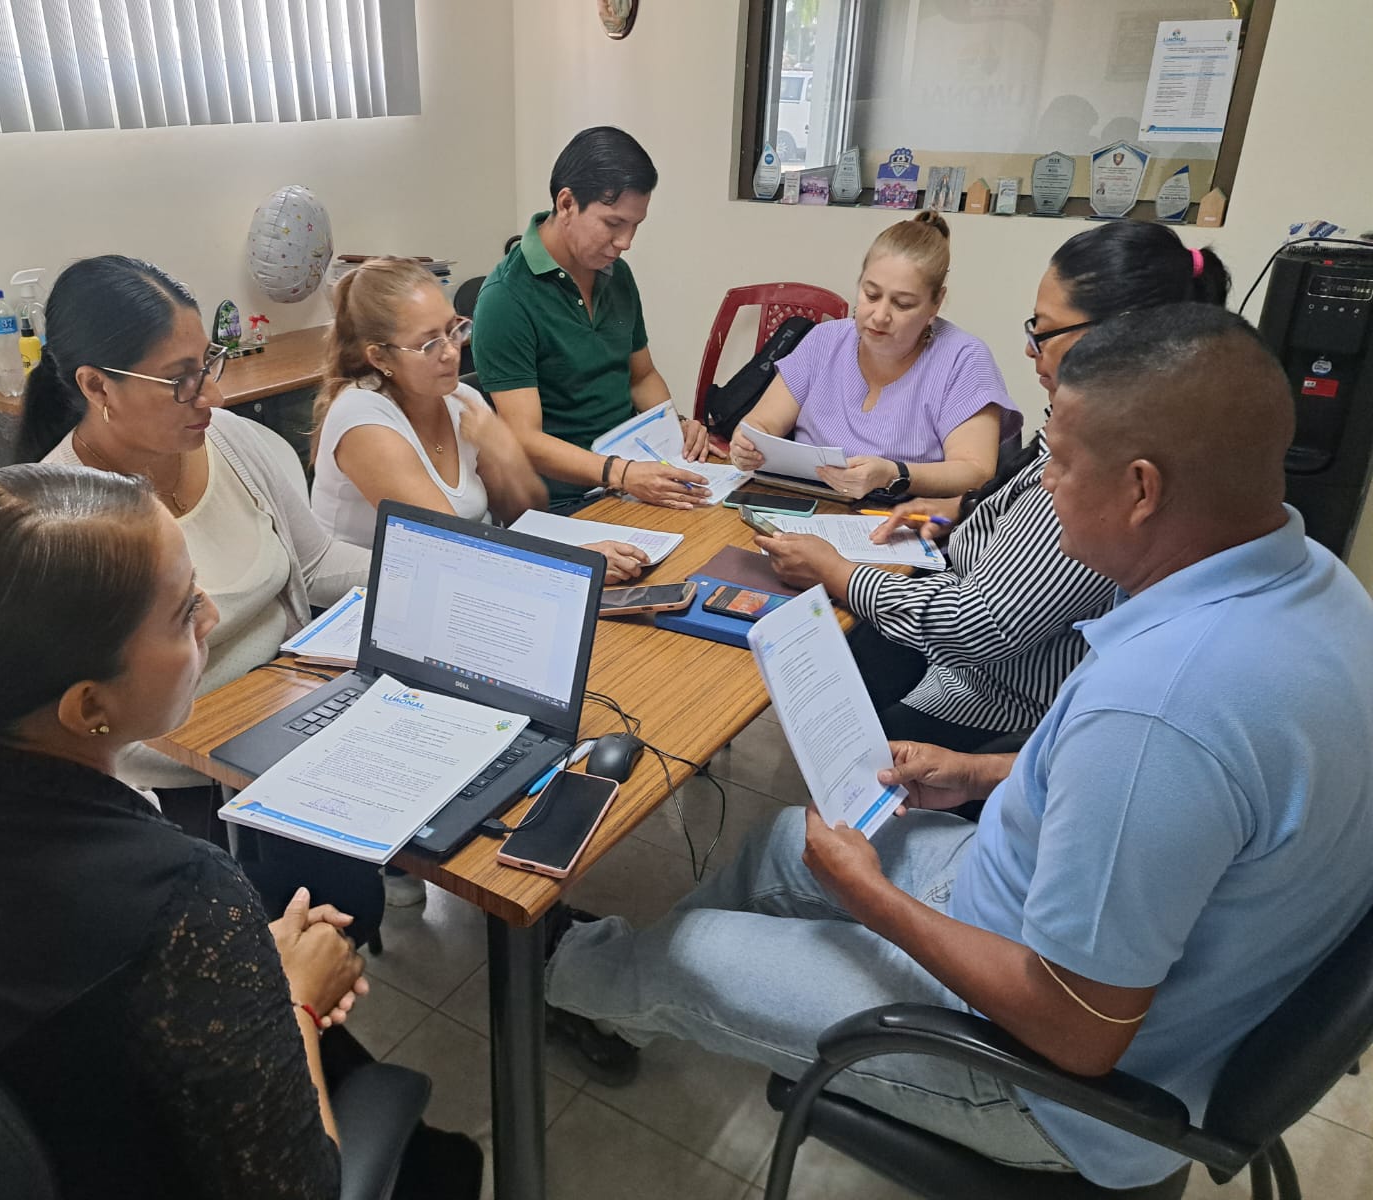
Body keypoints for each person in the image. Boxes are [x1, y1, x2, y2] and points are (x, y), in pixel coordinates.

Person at [544, 304, 1373, 1190]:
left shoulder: (1160, 711)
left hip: (1055, 1086)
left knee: (689, 957)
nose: (1043, 484)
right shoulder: (1322, 585)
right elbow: (1196, 808)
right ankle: (630, 986)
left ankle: (557, 976)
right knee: (784, 841)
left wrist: (870, 898)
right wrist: (981, 772)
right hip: (1033, 909)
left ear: (1142, 490)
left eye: (1059, 462)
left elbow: (1077, 1032)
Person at [0, 465, 366, 1199]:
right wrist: (297, 998)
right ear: (89, 705)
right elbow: (299, 1189)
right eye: (183, 611)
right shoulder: (180, 897)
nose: (210, 618)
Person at [754, 222, 1231, 750]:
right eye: (871, 294)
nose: (1029, 350)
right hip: (966, 644)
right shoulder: (1103, 419)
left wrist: (836, 571)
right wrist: (953, 512)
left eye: (1044, 332)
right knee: (834, 669)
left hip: (998, 700)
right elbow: (1012, 493)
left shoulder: (1107, 465)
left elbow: (978, 625)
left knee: (839, 725)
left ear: (1115, 337)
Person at [14, 256, 381, 907]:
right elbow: (88, 722)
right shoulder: (65, 525)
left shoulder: (235, 443)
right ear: (98, 387)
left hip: (293, 715)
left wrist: (426, 578)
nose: (209, 395)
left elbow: (317, 563)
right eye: (179, 380)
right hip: (180, 773)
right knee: (304, 907)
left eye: (208, 363)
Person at [309, 256, 649, 583]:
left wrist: (507, 455)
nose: (451, 352)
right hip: (369, 597)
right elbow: (445, 547)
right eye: (429, 344)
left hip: (458, 575)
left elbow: (525, 513)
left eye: (453, 330)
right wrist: (573, 563)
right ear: (380, 357)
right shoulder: (362, 419)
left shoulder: (461, 399)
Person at [473, 126, 711, 511]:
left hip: (629, 480)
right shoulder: (506, 298)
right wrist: (621, 473)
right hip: (566, 502)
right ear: (567, 203)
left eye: (635, 226)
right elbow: (524, 438)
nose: (625, 242)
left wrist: (675, 428)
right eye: (613, 224)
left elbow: (641, 376)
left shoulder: (616, 274)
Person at [728, 211, 1019, 502]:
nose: (880, 316)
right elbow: (761, 424)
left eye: (902, 304)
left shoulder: (964, 360)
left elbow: (975, 471)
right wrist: (746, 445)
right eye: (871, 295)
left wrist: (895, 474)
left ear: (936, 304)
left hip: (903, 517)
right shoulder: (824, 340)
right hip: (806, 505)